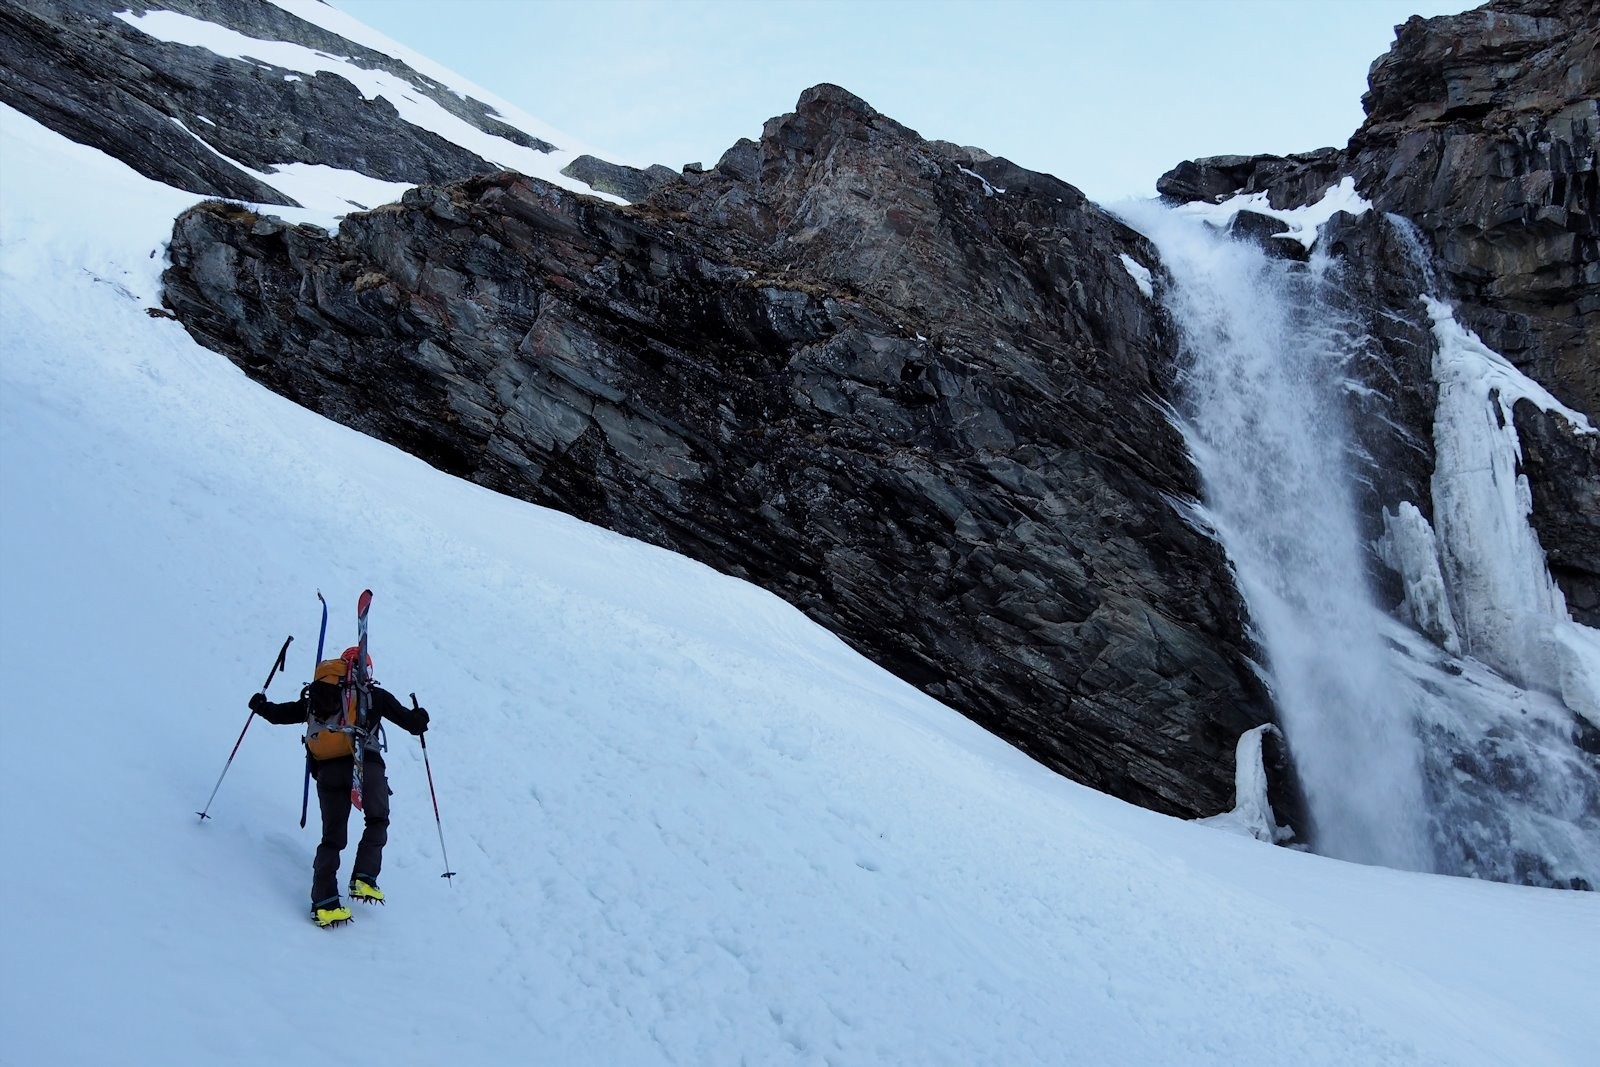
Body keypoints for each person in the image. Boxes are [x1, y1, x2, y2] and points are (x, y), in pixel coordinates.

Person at [249, 646, 430, 927]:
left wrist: (261, 705)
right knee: (377, 818)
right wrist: (421, 716)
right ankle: (363, 878)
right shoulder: (373, 696)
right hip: (363, 765)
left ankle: (324, 902)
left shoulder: (319, 697)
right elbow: (413, 725)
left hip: (327, 771)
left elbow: (280, 715)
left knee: (332, 838)